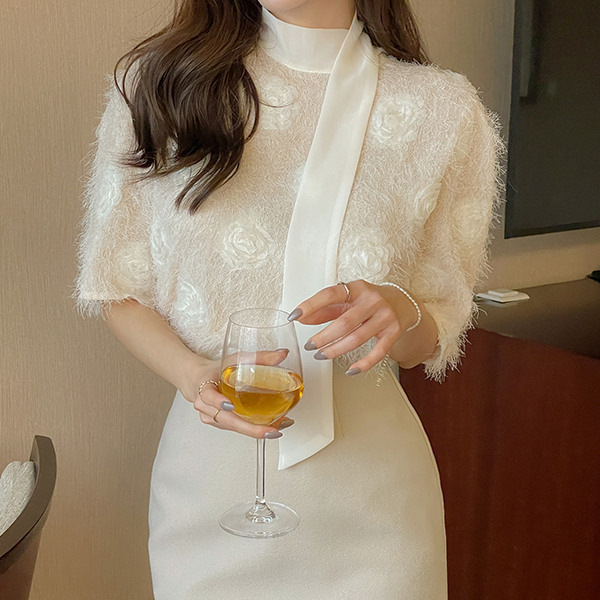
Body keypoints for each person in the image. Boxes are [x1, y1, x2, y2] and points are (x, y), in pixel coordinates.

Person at [76, 0, 502, 598]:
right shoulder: (160, 83)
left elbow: (433, 332)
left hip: (375, 508)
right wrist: (192, 373)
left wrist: (401, 308)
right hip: (209, 488)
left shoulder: (444, 111)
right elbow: (114, 286)